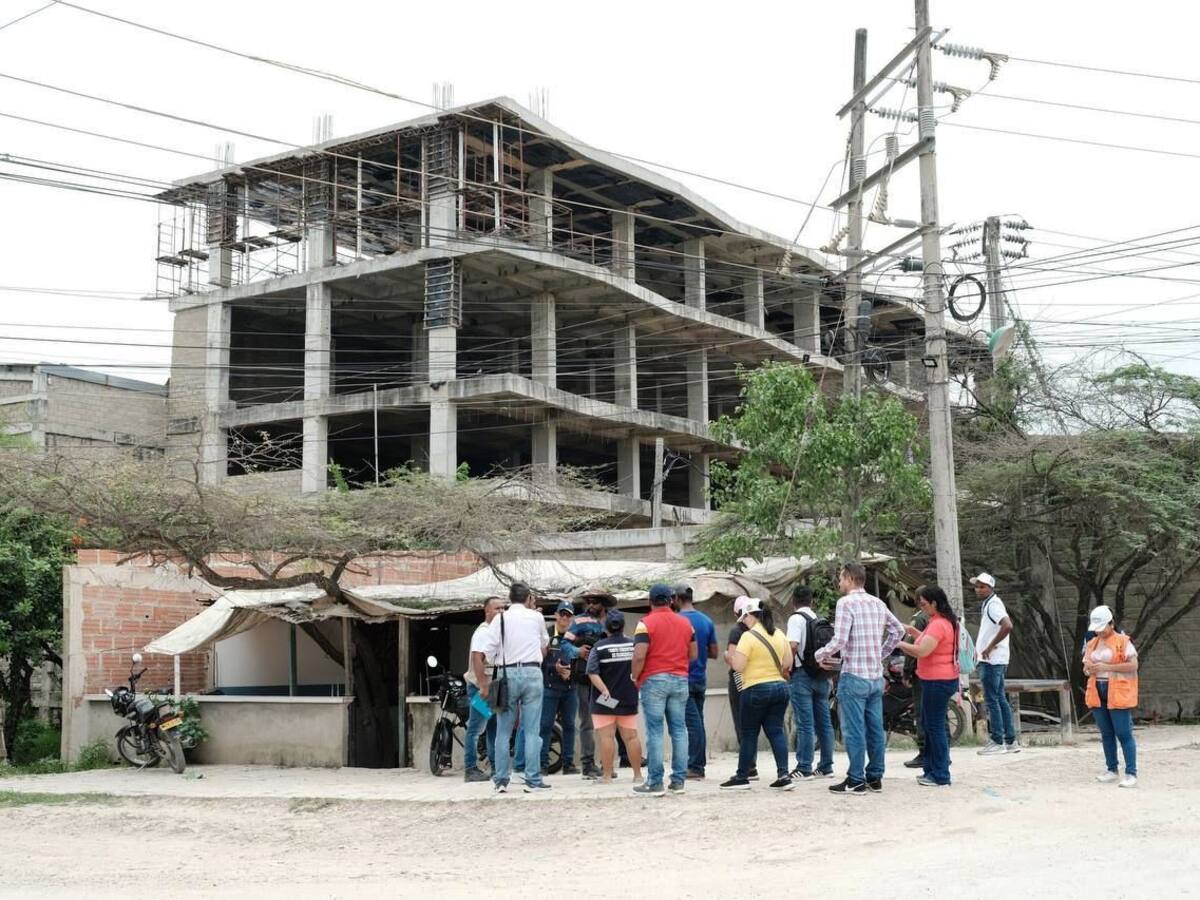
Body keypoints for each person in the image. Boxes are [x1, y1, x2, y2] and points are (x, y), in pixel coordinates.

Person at [815, 561, 905, 795]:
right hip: (875, 676)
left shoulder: (845, 603)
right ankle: (875, 777)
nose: (839, 583)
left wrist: (820, 654)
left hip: (854, 675)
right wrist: (881, 653)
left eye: (841, 578)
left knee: (854, 730)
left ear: (849, 578)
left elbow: (840, 640)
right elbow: (899, 630)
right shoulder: (878, 603)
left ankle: (856, 779)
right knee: (875, 729)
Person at [480, 582, 550, 794]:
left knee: (503, 731)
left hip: (507, 673)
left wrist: (500, 660)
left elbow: (488, 651)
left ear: (510, 599)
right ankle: (533, 779)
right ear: (529, 598)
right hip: (532, 672)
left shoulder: (500, 618)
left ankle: (501, 780)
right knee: (531, 730)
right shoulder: (536, 617)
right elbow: (544, 645)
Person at [721, 598, 795, 791]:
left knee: (749, 734)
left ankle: (742, 777)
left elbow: (738, 666)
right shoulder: (779, 634)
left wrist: (728, 657)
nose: (744, 622)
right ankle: (784, 775)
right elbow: (787, 663)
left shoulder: (748, 637)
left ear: (750, 616)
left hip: (755, 689)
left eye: (744, 618)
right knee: (776, 731)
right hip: (780, 688)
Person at [631, 582, 697, 796]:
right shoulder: (686, 624)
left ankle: (655, 782)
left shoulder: (645, 623)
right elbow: (693, 654)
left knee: (655, 731)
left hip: (654, 680)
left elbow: (639, 655)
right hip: (680, 679)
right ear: (671, 600)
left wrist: (635, 676)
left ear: (650, 602)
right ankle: (678, 781)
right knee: (679, 730)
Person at [896, 585, 960, 787]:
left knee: (935, 727)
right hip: (936, 680)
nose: (921, 608)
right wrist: (910, 630)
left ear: (934, 603)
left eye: (924, 604)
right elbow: (926, 641)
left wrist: (898, 644)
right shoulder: (940, 621)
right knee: (931, 725)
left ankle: (940, 774)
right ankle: (931, 770)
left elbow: (922, 651)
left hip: (937, 681)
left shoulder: (939, 624)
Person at [1083, 605, 1139, 788]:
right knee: (1106, 733)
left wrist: (1107, 667)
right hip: (1097, 690)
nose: (1099, 632)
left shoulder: (1123, 641)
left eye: (1102, 628)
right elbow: (1085, 667)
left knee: (1123, 733)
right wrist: (1088, 670)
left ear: (1111, 623)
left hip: (1118, 690)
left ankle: (1131, 772)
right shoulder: (1092, 643)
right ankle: (1111, 769)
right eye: (1097, 629)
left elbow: (1133, 665)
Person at [586, 608, 644, 785]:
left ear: (606, 627)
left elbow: (592, 672)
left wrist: (604, 690)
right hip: (628, 698)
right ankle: (638, 775)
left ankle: (606, 776)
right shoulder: (633, 645)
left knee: (606, 737)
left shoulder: (599, 647)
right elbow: (641, 665)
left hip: (605, 701)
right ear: (623, 626)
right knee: (631, 737)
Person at [785, 585, 835, 781]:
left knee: (805, 723)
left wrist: (785, 668)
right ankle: (826, 766)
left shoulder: (795, 619)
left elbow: (792, 645)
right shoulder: (817, 619)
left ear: (793, 601)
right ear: (811, 601)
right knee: (824, 723)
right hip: (821, 675)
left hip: (802, 676)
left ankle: (804, 767)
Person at [565, 590, 610, 779]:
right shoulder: (579, 621)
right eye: (588, 601)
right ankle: (588, 764)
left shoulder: (612, 620)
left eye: (595, 602)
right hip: (585, 679)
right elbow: (564, 645)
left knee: (608, 721)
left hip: (608, 679)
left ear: (604, 604)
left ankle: (607, 764)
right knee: (587, 722)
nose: (591, 605)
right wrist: (578, 651)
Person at [972, 572, 1018, 755]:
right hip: (995, 659)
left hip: (991, 659)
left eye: (982, 587)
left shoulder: (993, 605)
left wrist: (990, 646)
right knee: (999, 698)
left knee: (992, 699)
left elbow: (1007, 625)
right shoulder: (989, 604)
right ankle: (1010, 740)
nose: (978, 589)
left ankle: (998, 740)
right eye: (977, 586)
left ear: (991, 588)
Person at [676, 584, 718, 780]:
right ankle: (697, 764)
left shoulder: (677, 621)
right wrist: (700, 653)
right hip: (700, 678)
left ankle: (695, 766)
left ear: (676, 599)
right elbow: (714, 652)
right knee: (698, 722)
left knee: (692, 725)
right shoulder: (706, 620)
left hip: (683, 678)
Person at [464, 595, 505, 782]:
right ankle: (470, 769)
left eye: (503, 608)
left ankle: (496, 767)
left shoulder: (496, 632)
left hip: (492, 688)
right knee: (476, 729)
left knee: (493, 728)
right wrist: (483, 687)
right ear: (487, 611)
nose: (501, 612)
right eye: (497, 608)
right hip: (480, 689)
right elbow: (477, 659)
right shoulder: (484, 632)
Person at [540, 601, 581, 775]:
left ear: (572, 618)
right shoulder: (547, 635)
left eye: (568, 615)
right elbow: (539, 661)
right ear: (556, 615)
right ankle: (542, 764)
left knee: (570, 725)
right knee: (545, 725)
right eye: (562, 614)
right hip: (550, 687)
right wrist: (554, 668)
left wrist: (572, 671)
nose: (565, 618)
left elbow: (582, 659)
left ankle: (568, 763)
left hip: (570, 688)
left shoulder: (576, 637)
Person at [724, 595, 758, 780]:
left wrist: (725, 656)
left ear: (736, 613)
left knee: (741, 721)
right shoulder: (760, 629)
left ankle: (749, 767)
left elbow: (732, 658)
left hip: (739, 679)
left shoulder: (737, 631)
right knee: (754, 723)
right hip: (757, 678)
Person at [901, 596, 931, 770]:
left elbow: (912, 646)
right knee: (936, 715)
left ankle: (923, 753)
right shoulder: (939, 619)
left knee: (921, 714)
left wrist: (906, 671)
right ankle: (941, 753)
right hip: (935, 672)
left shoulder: (919, 618)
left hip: (921, 671)